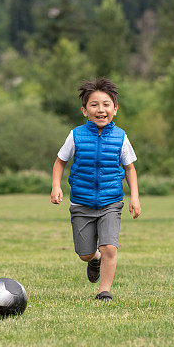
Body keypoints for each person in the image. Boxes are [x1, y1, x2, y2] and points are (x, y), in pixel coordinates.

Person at [50, 78, 142, 301]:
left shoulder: (121, 137)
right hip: (81, 202)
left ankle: (104, 291)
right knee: (84, 253)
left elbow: (130, 169)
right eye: (94, 104)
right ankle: (94, 258)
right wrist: (56, 187)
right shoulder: (76, 135)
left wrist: (135, 198)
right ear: (84, 110)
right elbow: (60, 161)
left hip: (111, 202)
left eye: (106, 104)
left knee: (110, 246)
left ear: (115, 109)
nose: (101, 109)